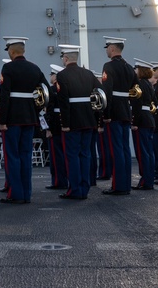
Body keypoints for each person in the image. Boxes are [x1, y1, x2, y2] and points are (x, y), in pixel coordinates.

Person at [0, 36, 48, 204]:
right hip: (30, 118)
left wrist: (2, 120)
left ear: (11, 51)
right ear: (23, 50)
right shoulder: (35, 68)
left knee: (12, 156)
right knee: (26, 156)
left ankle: (16, 194)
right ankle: (26, 193)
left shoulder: (8, 68)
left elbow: (4, 96)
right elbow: (47, 92)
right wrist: (36, 109)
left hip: (12, 119)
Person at [54, 44, 100, 200]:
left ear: (65, 58)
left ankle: (74, 189)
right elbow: (100, 95)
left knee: (72, 156)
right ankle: (84, 188)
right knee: (85, 154)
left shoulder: (62, 76)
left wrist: (65, 124)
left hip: (72, 122)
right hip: (89, 119)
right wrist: (96, 117)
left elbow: (64, 102)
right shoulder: (89, 74)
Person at [99, 37, 134, 195]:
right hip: (126, 111)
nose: (106, 50)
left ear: (112, 48)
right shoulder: (129, 67)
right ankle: (125, 184)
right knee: (125, 149)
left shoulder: (109, 66)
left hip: (113, 113)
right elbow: (135, 90)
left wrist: (106, 114)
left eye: (107, 47)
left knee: (116, 150)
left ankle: (118, 186)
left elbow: (106, 92)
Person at [131, 59, 157, 190]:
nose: (134, 71)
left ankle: (145, 181)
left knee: (142, 153)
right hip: (149, 119)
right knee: (149, 152)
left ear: (140, 70)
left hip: (141, 120)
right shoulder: (149, 84)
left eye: (136, 69)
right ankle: (149, 180)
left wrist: (134, 122)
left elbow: (136, 105)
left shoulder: (139, 84)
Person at [44, 65, 67, 190]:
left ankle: (58, 181)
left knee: (55, 155)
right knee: (65, 154)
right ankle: (65, 179)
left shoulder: (52, 89)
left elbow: (50, 110)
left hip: (55, 125)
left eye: (51, 75)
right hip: (65, 123)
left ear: (55, 76)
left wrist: (48, 128)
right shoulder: (67, 88)